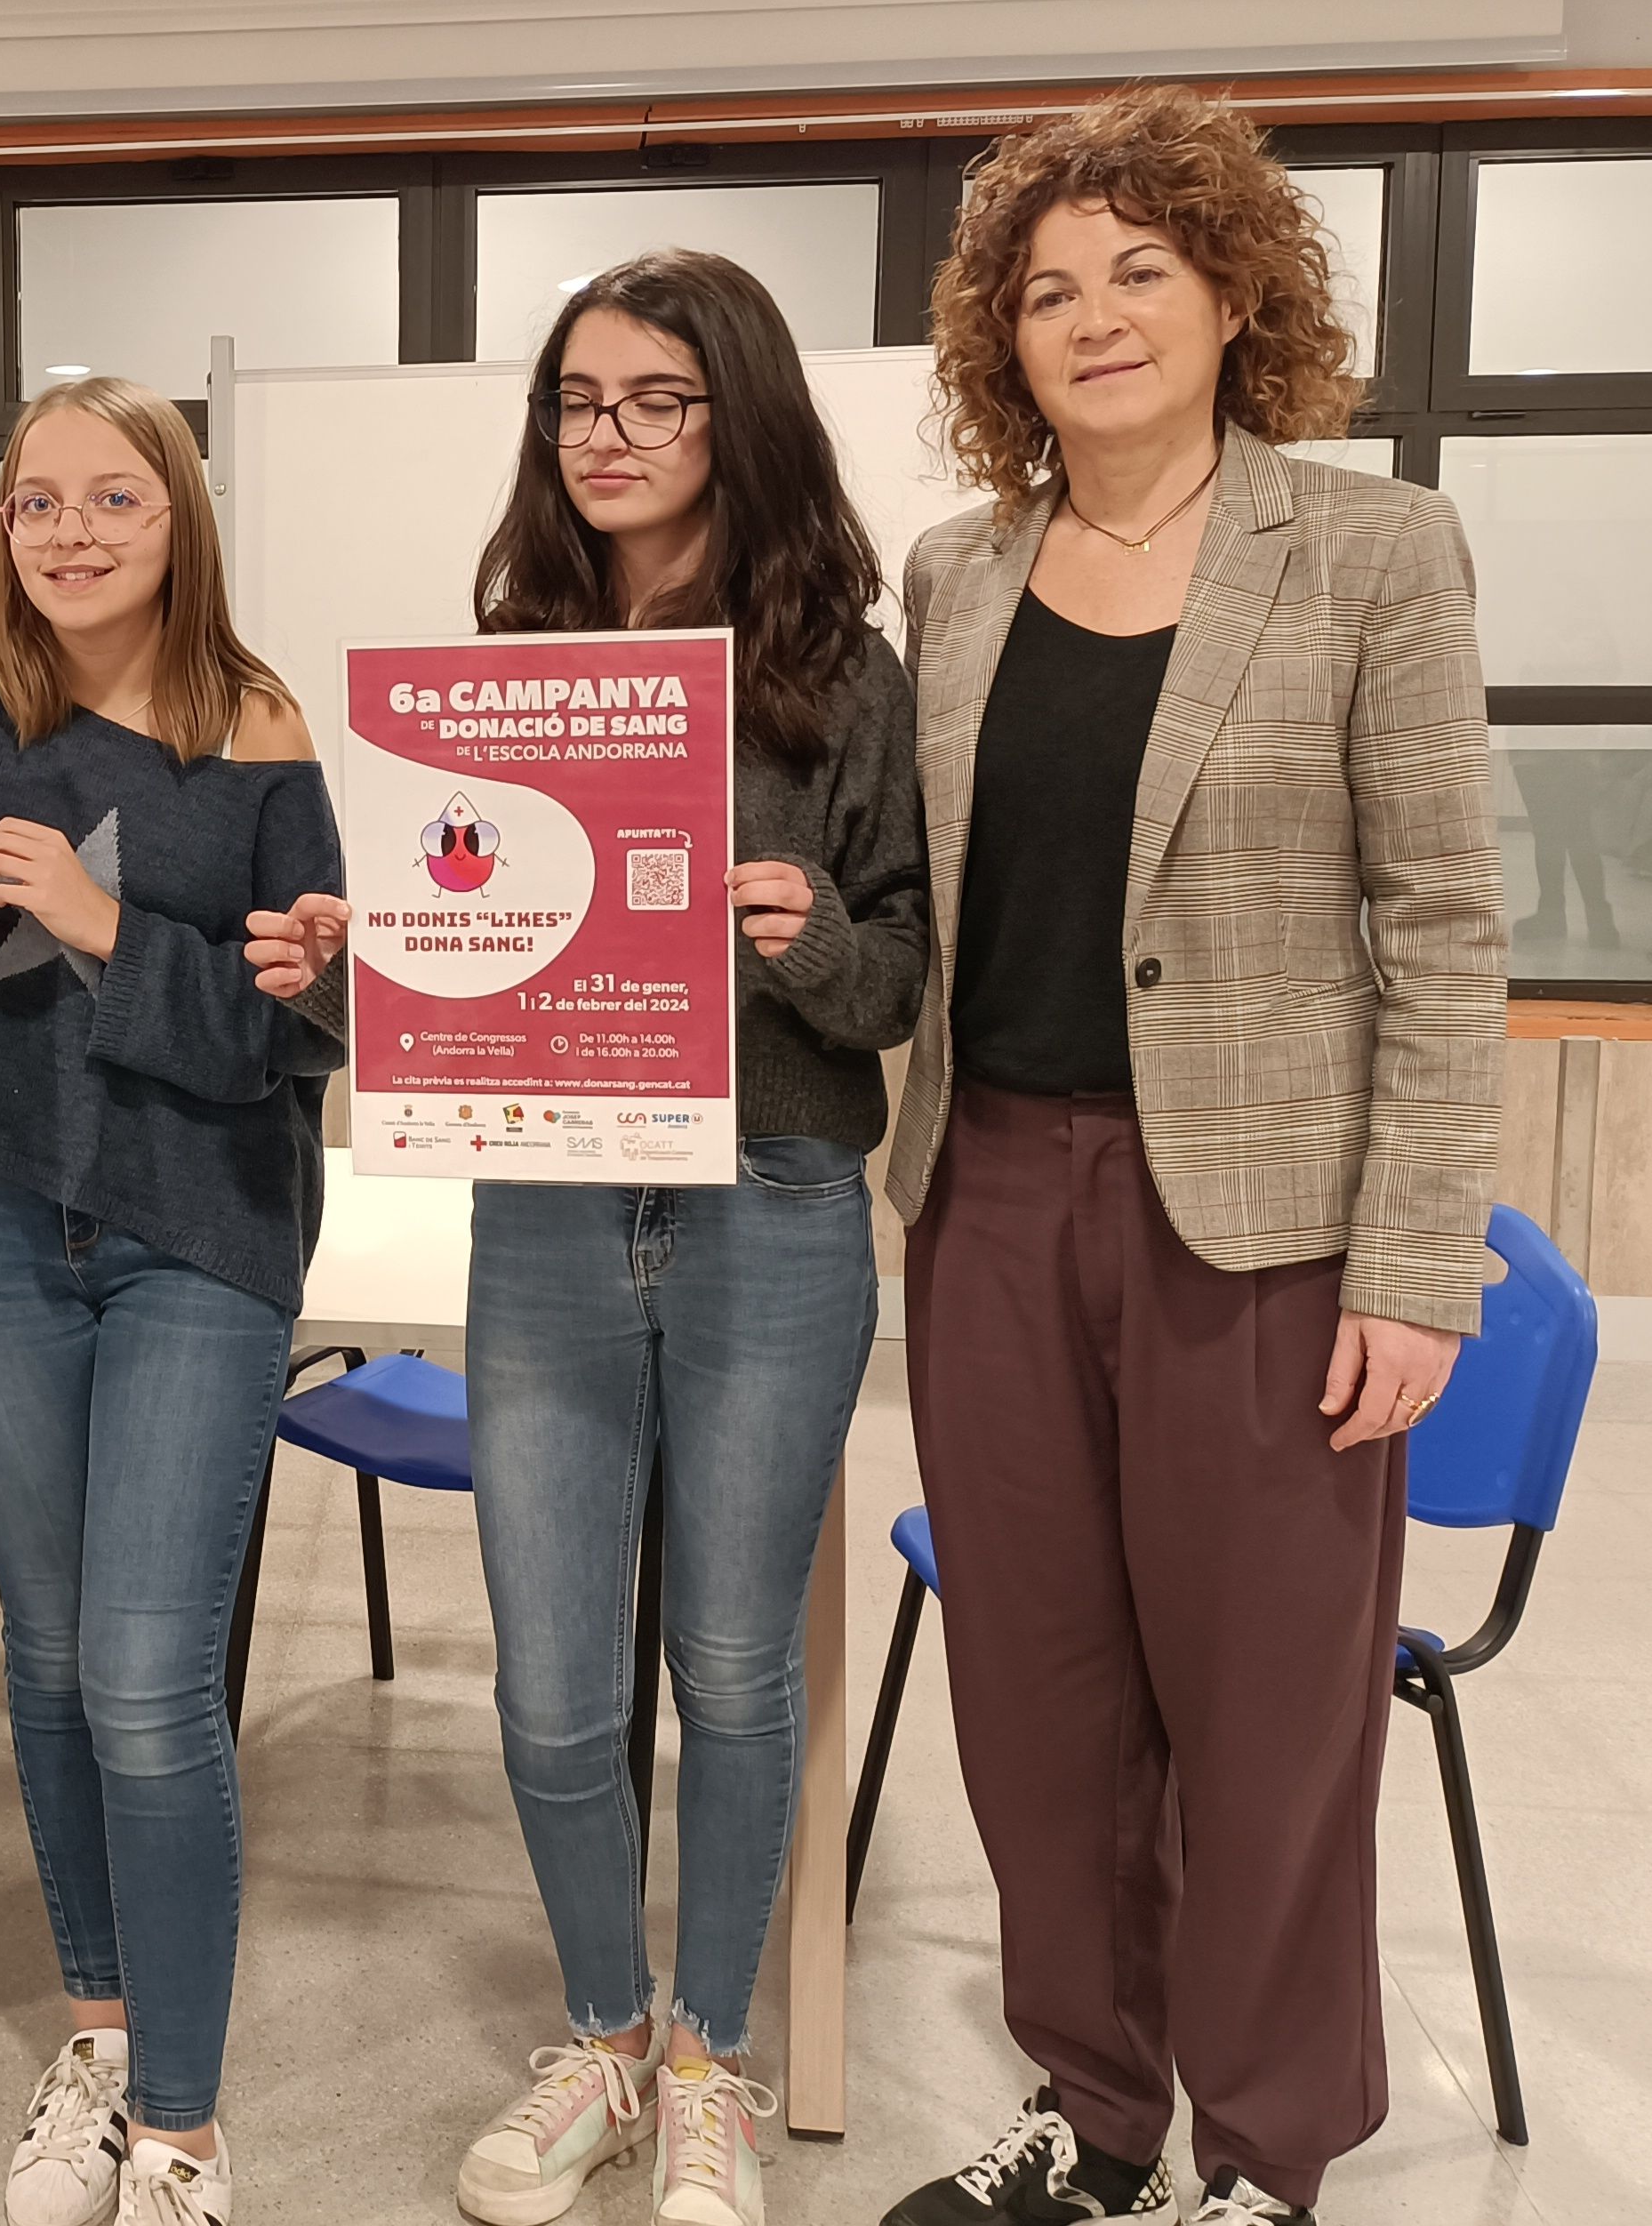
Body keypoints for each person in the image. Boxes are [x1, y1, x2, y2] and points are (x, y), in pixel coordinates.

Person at [882, 85, 1505, 2226]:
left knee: (1264, 1725)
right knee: (1038, 1705)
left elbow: (1439, 920)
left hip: (1261, 1228)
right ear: (1000, 343)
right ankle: (1095, 2104)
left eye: (1138, 268)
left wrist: (1417, 1259)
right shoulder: (951, 577)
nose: (1093, 316)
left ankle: (1256, 2149)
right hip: (988, 1202)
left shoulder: (1365, 547)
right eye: (1044, 289)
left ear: (1234, 292)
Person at [427, 252, 932, 2226]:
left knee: (730, 1664)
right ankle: (602, 2036)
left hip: (773, 1208)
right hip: (545, 1208)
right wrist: (338, 970)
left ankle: (712, 2052)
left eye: (651, 400)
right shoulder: (504, 665)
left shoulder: (836, 672)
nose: (605, 438)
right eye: (575, 402)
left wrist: (808, 936)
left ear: (737, 416)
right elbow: (458, 956)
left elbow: (894, 980)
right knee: (551, 1688)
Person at [0, 375, 348, 2226]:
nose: (71, 532)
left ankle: (179, 2118)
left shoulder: (261, 736)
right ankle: (93, 2030)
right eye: (35, 504)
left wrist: (101, 933)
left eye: (113, 498)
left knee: (151, 1688)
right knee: (50, 1657)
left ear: (180, 518)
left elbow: (299, 1033)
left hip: (201, 1242)